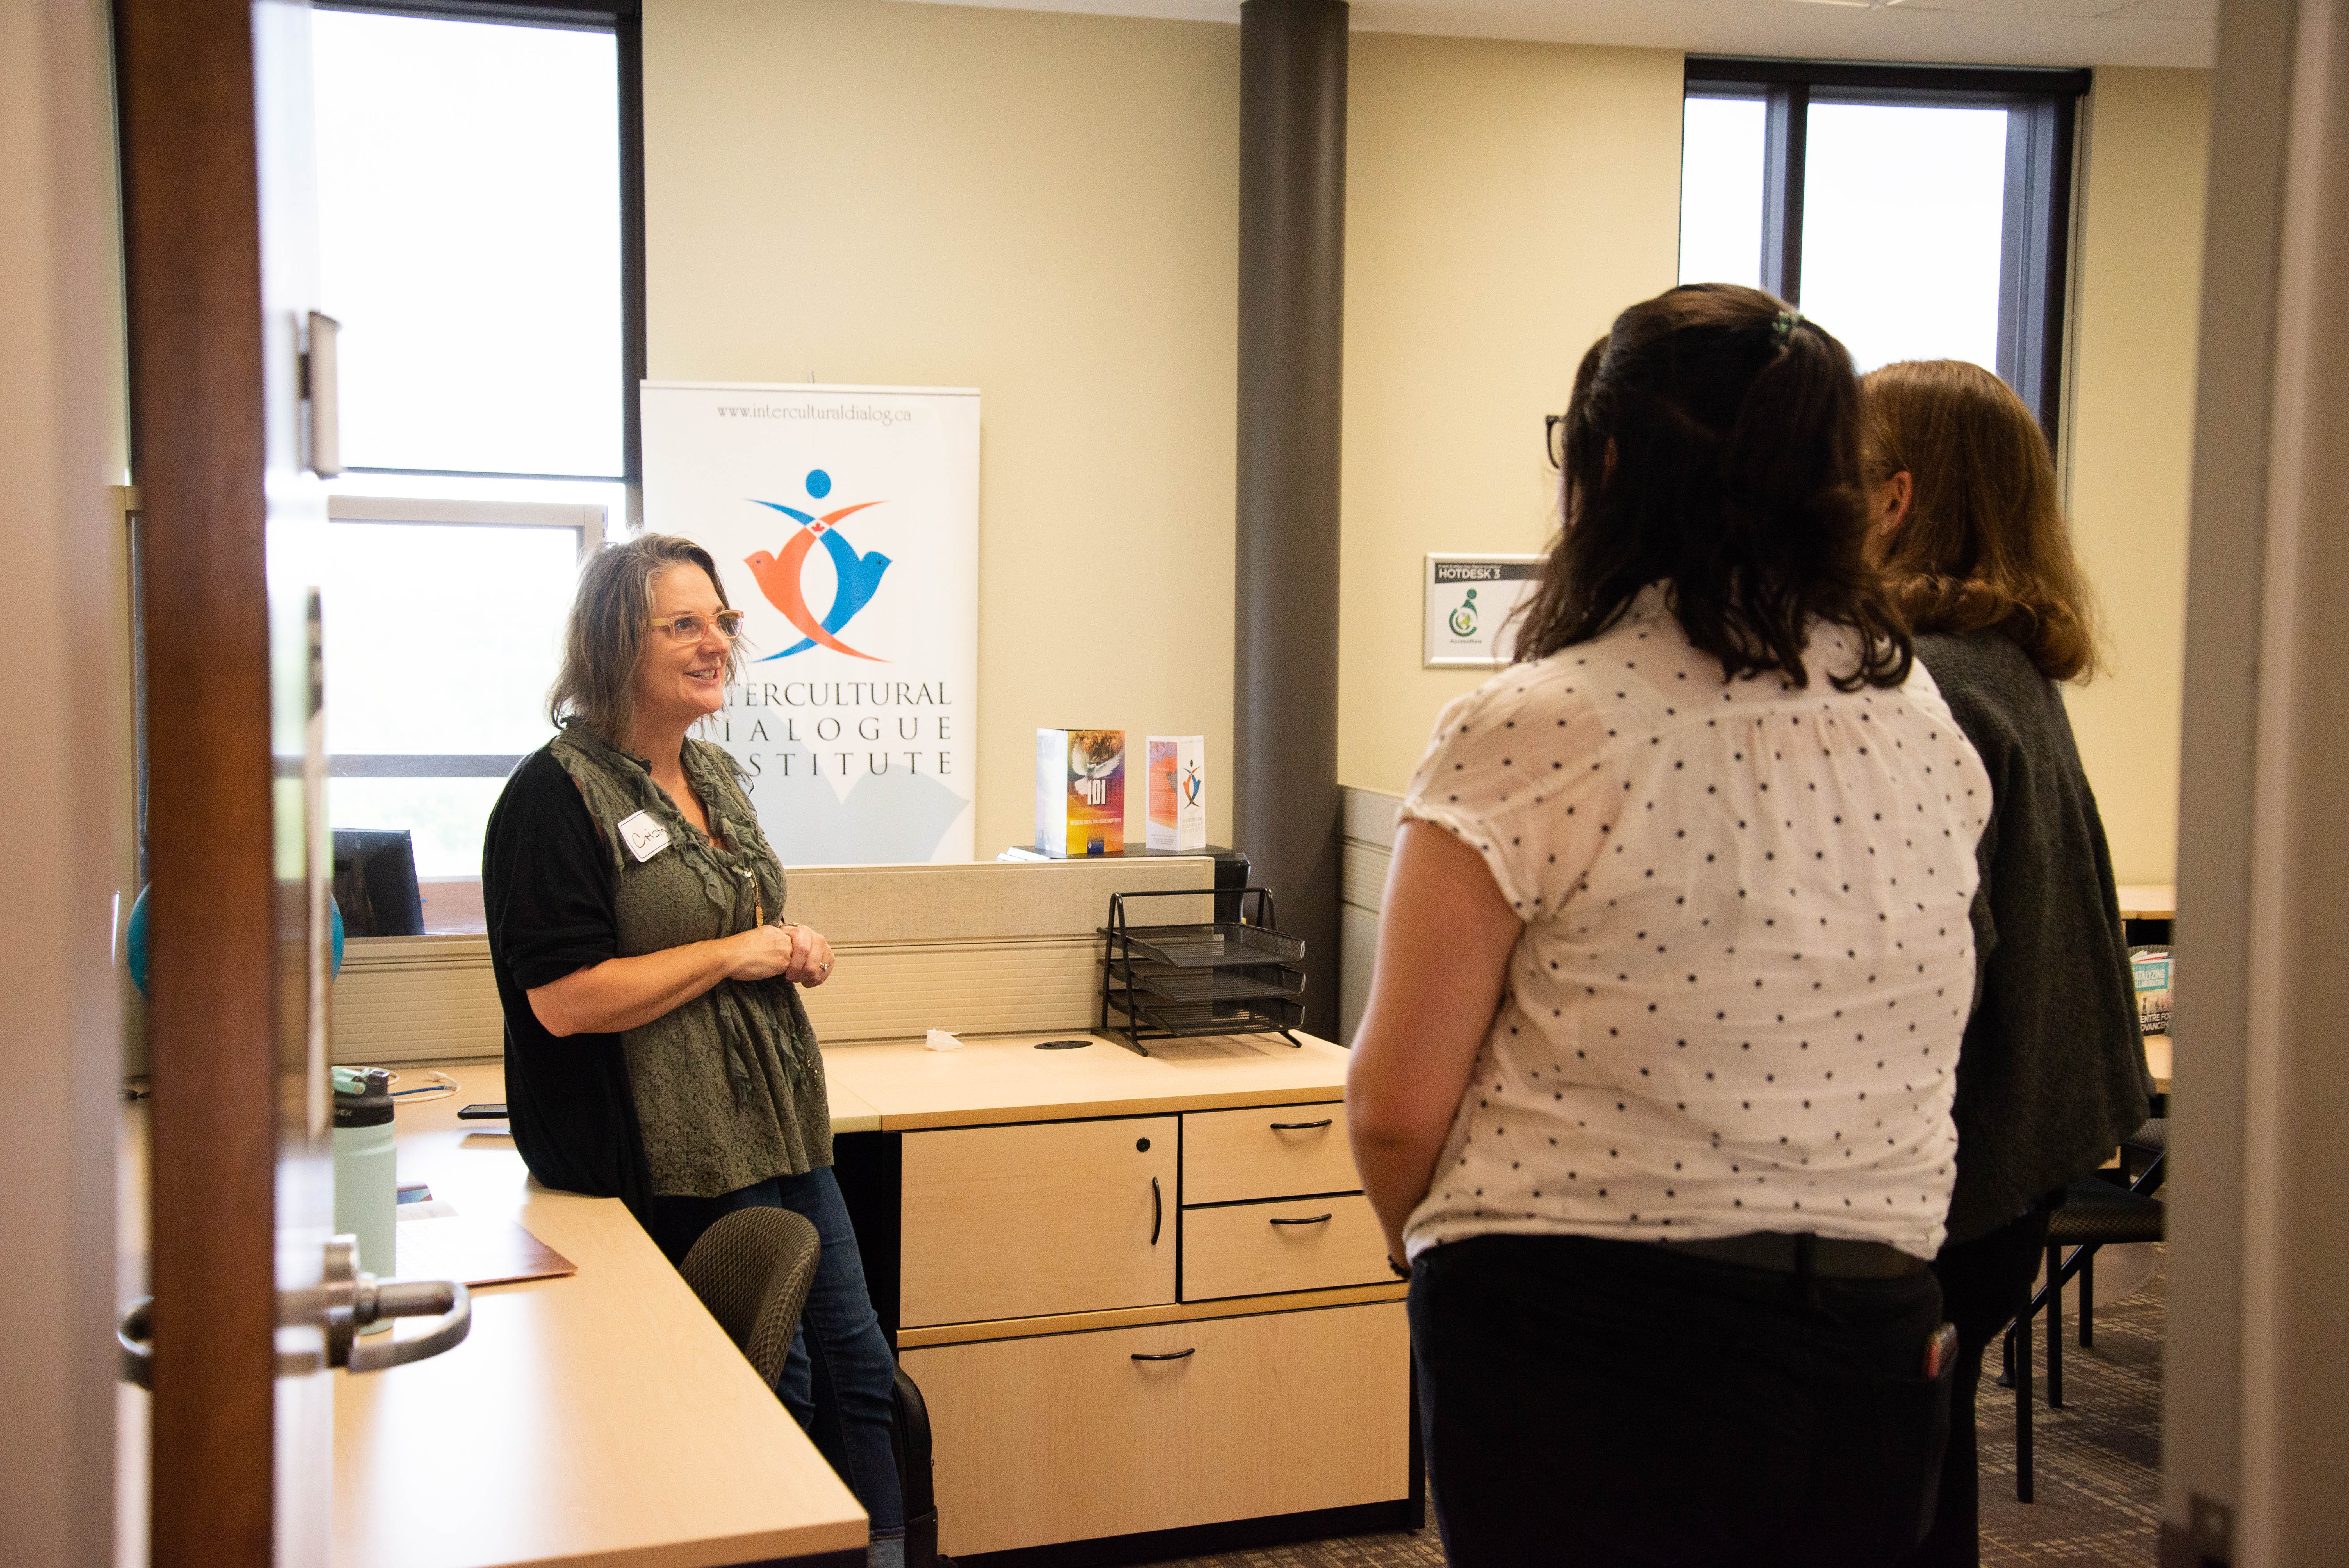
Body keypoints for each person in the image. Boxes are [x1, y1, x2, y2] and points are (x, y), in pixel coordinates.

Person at [1346, 283, 1991, 1566]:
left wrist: (1419, 1249)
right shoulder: (1922, 721)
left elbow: (1395, 1106)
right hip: (1875, 1324)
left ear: (1607, 466)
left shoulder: (1542, 723)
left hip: (1586, 1327)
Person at [481, 533, 906, 1568]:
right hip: (679, 1147)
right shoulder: (552, 799)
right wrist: (732, 954)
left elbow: (737, 920)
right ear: (614, 644)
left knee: (861, 1365)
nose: (716, 642)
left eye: (722, 621)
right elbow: (568, 1002)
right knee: (774, 1381)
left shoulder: (711, 773)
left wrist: (787, 945)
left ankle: (887, 1553)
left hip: (779, 1122)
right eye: (685, 625)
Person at [1860, 359, 2152, 1568]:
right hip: (2016, 1164)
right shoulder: (2005, 667)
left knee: (1885, 1494)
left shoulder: (1928, 684)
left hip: (1953, 1178)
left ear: (1897, 497)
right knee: (1925, 1476)